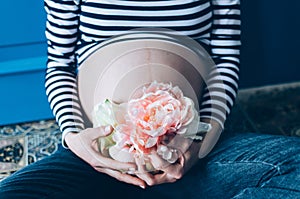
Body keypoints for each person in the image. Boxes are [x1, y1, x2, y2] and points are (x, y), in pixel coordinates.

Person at [1, 0, 299, 198]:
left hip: (195, 155)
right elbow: (60, 65)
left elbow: (224, 59)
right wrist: (75, 138)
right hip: (98, 161)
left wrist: (201, 142)